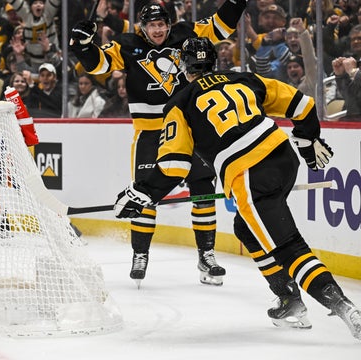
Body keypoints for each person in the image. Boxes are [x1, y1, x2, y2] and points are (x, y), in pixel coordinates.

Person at [112, 36, 361, 340]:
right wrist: (308, 141)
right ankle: (289, 300)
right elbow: (302, 104)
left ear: (184, 67)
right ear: (213, 62)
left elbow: (176, 166)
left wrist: (141, 193)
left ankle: (345, 307)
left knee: (288, 246)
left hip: (249, 175)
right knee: (245, 228)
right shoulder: (243, 77)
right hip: (283, 158)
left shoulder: (180, 102)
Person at [70, 1, 248, 287]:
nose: (159, 29)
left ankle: (206, 254)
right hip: (151, 132)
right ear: (143, 26)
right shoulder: (127, 44)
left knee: (203, 188)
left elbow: (220, 25)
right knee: (144, 194)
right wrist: (82, 45)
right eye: (153, 25)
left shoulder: (185, 33)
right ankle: (140, 254)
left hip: (190, 127)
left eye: (162, 24)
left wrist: (235, 3)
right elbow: (99, 65)